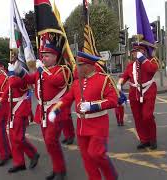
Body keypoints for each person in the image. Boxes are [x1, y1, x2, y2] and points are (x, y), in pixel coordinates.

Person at [49, 51, 119, 180]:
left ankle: (111, 176)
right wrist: (55, 110)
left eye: (78, 65)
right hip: (82, 126)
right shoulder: (77, 83)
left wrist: (92, 105)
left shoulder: (103, 80)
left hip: (98, 124)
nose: (76, 68)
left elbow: (113, 100)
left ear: (87, 66)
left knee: (96, 154)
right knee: (87, 158)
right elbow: (67, 99)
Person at [9, 41, 71, 180]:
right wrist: (17, 69)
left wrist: (43, 71)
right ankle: (57, 169)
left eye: (47, 56)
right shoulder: (40, 71)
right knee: (49, 143)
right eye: (43, 56)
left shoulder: (62, 70)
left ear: (55, 57)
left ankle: (61, 170)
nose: (43, 58)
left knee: (51, 141)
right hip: (42, 111)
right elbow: (28, 79)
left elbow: (57, 81)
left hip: (55, 111)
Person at [0, 49, 40, 173]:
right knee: (13, 137)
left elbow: (12, 83)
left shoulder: (20, 77)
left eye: (14, 62)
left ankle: (33, 153)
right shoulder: (11, 75)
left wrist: (13, 72)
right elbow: (6, 93)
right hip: (12, 108)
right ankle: (19, 162)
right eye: (10, 63)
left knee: (18, 138)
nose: (11, 64)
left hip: (20, 108)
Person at [117, 43, 159, 150]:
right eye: (134, 51)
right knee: (138, 117)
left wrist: (143, 59)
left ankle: (152, 138)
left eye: (138, 51)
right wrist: (119, 83)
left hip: (148, 91)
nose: (135, 53)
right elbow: (125, 75)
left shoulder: (151, 61)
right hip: (134, 93)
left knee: (147, 116)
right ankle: (144, 140)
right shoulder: (131, 65)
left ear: (144, 52)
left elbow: (152, 70)